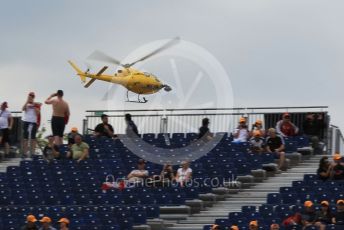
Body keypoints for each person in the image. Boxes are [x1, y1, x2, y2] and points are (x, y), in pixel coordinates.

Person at [22, 92, 41, 157]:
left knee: (33, 138)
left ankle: (32, 153)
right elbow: (23, 109)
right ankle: (25, 153)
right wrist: (27, 102)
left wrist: (34, 105)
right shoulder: (26, 103)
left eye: (32, 96)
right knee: (25, 138)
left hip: (33, 122)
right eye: (30, 96)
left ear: (34, 97)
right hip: (26, 121)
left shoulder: (36, 104)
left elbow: (37, 113)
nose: (30, 97)